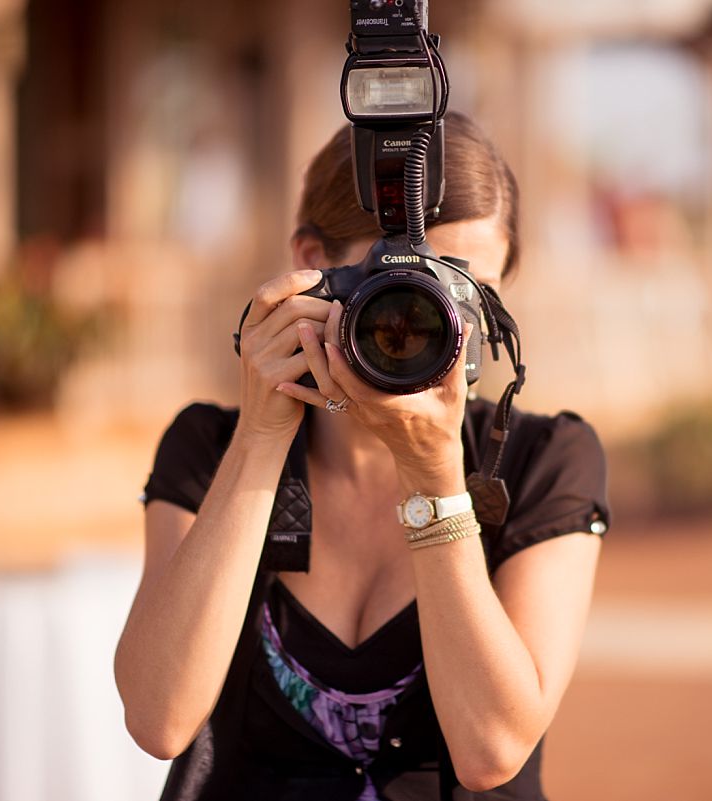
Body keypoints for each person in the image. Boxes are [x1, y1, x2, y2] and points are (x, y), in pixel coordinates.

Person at [115, 111, 611, 801]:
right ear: (314, 267)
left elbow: (491, 748)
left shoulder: (543, 459)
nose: (441, 327)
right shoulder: (209, 449)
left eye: (472, 294)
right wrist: (261, 439)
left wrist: (435, 479)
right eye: (416, 288)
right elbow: (158, 717)